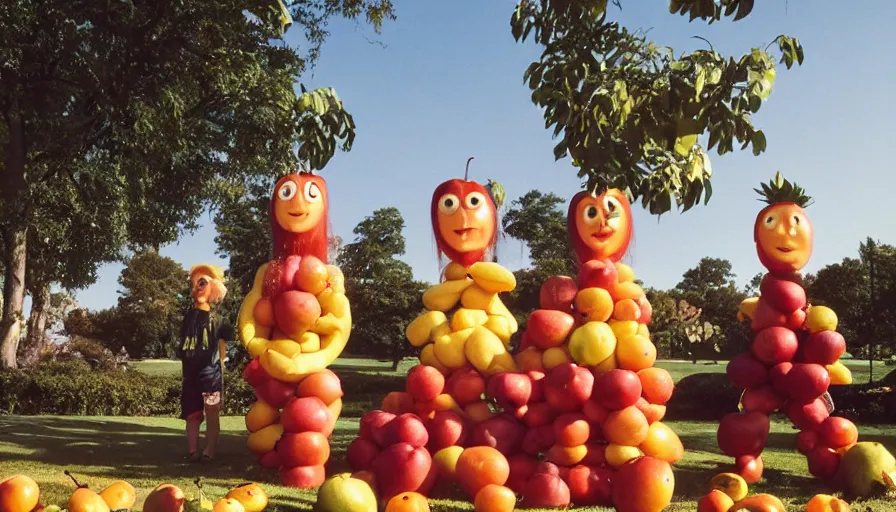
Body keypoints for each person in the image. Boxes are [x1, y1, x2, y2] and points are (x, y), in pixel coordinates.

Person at [177, 263, 233, 463]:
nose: (197, 288)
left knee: (211, 411)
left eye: (202, 282)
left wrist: (221, 366)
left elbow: (223, 345)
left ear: (215, 286)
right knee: (192, 413)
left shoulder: (218, 319)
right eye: (193, 284)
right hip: (190, 374)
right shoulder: (188, 318)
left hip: (211, 373)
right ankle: (193, 450)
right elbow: (183, 343)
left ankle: (210, 449)